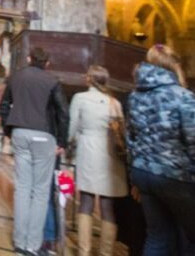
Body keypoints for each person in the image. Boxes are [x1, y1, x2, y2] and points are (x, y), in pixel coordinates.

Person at [126, 44, 195, 255]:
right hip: (175, 174)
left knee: (158, 237)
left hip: (144, 172)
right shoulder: (183, 96)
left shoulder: (135, 96)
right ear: (175, 65)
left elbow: (130, 137)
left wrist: (134, 175)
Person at [0, 47, 69, 256]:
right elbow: (63, 112)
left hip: (19, 133)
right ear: (46, 63)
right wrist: (62, 142)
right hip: (44, 136)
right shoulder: (52, 81)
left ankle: (19, 244)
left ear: (29, 59)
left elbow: (4, 105)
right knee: (39, 192)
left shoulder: (16, 77)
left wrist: (8, 131)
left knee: (22, 189)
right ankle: (32, 246)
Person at [68, 65, 128, 255]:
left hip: (88, 151)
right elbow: (121, 131)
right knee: (107, 206)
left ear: (89, 79)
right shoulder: (114, 102)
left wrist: (69, 143)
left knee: (86, 201)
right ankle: (105, 253)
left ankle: (83, 251)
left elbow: (72, 128)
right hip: (110, 156)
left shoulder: (80, 98)